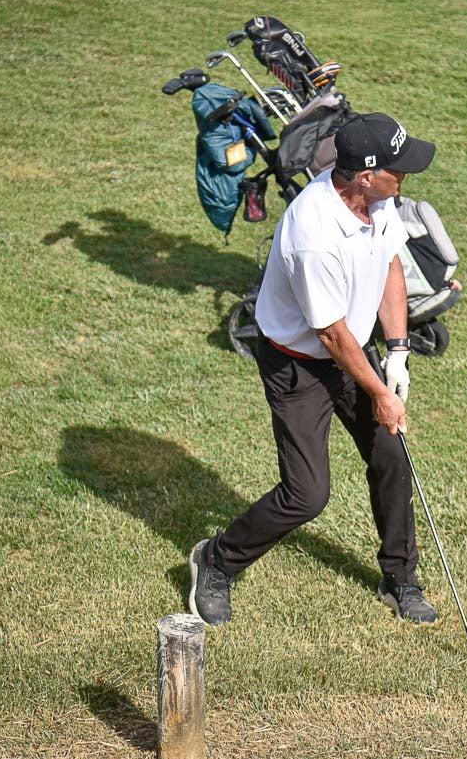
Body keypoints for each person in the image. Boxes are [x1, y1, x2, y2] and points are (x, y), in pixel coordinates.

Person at [188, 112, 438, 627]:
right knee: (306, 494)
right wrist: (381, 393)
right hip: (298, 364)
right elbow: (331, 335)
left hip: (349, 351)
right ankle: (215, 560)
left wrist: (395, 351)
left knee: (392, 455)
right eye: (397, 168)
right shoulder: (313, 234)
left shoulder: (381, 201)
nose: (405, 176)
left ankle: (400, 578)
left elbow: (390, 262)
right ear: (364, 175)